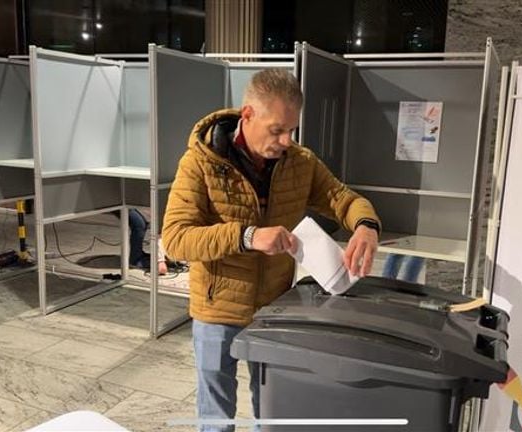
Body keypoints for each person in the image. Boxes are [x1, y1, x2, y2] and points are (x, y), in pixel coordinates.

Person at [162, 69, 381, 431]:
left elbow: (343, 199)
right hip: (217, 310)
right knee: (214, 416)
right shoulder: (200, 162)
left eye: (292, 129)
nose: (285, 140)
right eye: (277, 129)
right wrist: (247, 236)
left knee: (272, 409)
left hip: (274, 308)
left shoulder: (300, 162)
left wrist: (366, 225)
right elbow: (175, 238)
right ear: (248, 115)